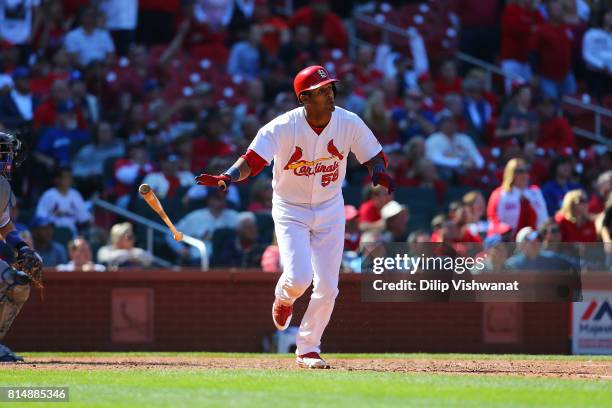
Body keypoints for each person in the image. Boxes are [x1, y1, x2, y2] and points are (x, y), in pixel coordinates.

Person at [194, 65, 394, 369]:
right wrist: (229, 176)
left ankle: (308, 348)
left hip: (330, 207)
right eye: (320, 91)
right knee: (300, 277)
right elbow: (252, 161)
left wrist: (378, 172)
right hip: (291, 209)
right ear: (304, 98)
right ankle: (284, 297)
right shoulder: (283, 126)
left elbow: (373, 154)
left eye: (329, 88)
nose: (328, 95)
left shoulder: (347, 122)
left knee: (328, 285)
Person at [0, 132, 43, 362]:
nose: (5, 159)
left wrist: (24, 249)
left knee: (18, 283)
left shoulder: (1, 187)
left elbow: (5, 226)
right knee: (9, 279)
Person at [487, 158, 549, 237]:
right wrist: (506, 232)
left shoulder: (535, 192)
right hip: (509, 241)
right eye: (520, 171)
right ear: (510, 173)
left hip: (535, 239)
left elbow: (544, 218)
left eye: (526, 170)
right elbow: (493, 221)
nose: (524, 174)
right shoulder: (499, 194)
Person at [425, 110, 484, 175]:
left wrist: (477, 164)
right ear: (440, 124)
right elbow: (435, 159)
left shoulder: (464, 138)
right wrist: (459, 163)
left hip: (467, 174)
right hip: (444, 175)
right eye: (448, 122)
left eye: (453, 121)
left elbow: (476, 156)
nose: (451, 124)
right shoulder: (433, 139)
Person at [35, 166, 91, 236]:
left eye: (70, 177)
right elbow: (40, 217)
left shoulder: (75, 195)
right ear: (57, 179)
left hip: (72, 233)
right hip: (53, 232)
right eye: (66, 177)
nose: (69, 180)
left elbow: (84, 218)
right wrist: (54, 215)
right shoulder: (49, 195)